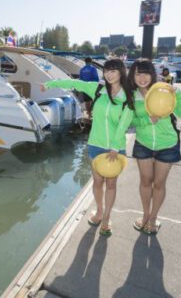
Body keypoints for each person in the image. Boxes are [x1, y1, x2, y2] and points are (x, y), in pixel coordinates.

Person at [42, 59, 127, 237]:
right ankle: (98, 211)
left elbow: (124, 124)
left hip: (115, 148)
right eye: (107, 71)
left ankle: (107, 218)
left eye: (113, 71)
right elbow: (73, 82)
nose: (109, 74)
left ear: (121, 72)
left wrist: (115, 147)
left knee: (111, 184)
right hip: (95, 144)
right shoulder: (97, 89)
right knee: (97, 182)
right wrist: (49, 84)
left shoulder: (127, 96)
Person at [118, 58, 181, 235]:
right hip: (143, 143)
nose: (142, 78)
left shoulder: (163, 91)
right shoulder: (132, 96)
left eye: (146, 73)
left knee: (159, 183)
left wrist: (176, 93)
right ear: (132, 76)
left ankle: (154, 218)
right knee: (145, 181)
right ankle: (146, 215)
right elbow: (130, 122)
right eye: (138, 73)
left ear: (152, 74)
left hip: (168, 144)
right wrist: (147, 120)